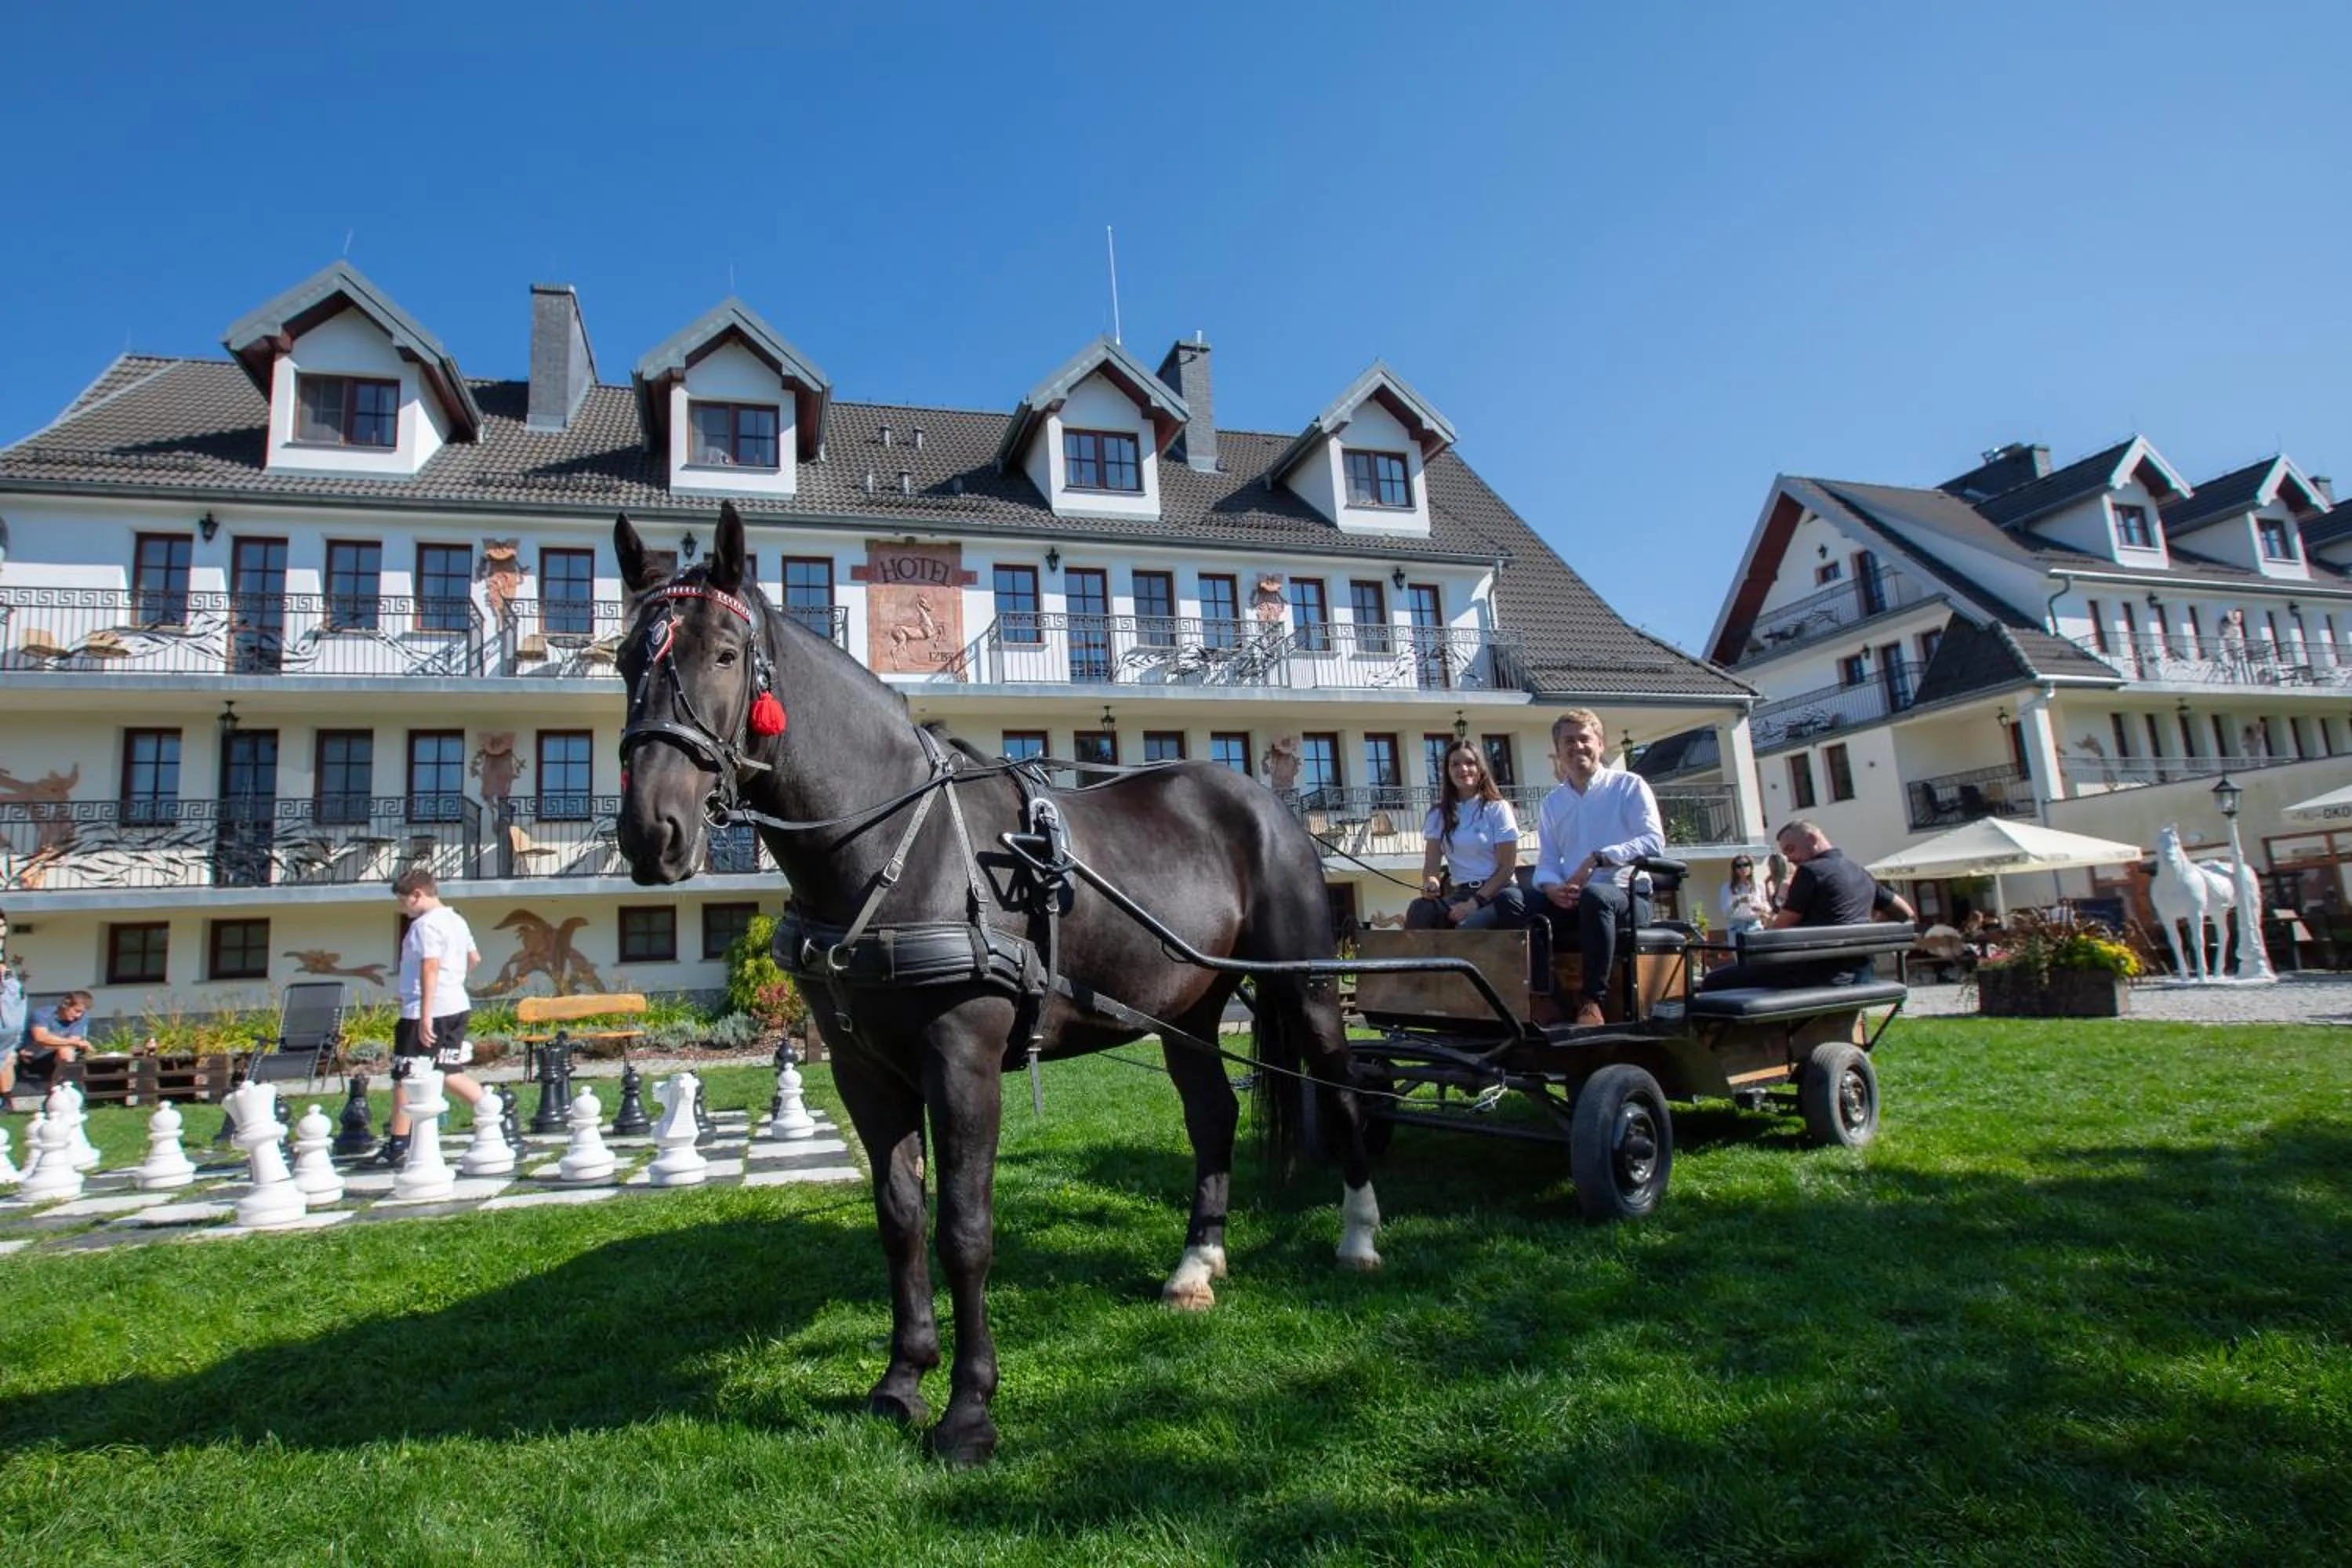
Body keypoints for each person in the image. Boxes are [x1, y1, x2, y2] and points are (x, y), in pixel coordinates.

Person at [1530, 708, 1664, 1026]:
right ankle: (1545, 997)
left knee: (1596, 895)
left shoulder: (1629, 786)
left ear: (1600, 744)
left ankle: (1592, 1001)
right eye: (1569, 741)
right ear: (1558, 751)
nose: (1577, 747)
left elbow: (1654, 841)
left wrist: (1600, 857)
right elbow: (1547, 860)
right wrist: (1551, 888)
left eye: (1584, 739)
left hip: (1628, 897)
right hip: (1575, 899)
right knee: (1520, 903)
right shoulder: (1552, 803)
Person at [1702, 820, 1913, 990]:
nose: (1790, 859)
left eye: (1791, 850)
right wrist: (1868, 930)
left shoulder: (1811, 871)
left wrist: (1768, 925)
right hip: (1860, 971)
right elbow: (1905, 912)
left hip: (1815, 973)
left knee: (1713, 981)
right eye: (1786, 854)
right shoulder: (1860, 872)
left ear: (1812, 839)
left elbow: (1780, 928)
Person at [376, 868, 486, 1167]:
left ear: (417, 895)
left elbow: (430, 967)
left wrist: (425, 1014)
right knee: (448, 1070)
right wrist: (454, 981)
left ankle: (399, 1143)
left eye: (404, 902)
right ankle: (494, 1112)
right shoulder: (457, 920)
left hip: (425, 1010)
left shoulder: (425, 925)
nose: (404, 909)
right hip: (456, 1004)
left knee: (405, 1075)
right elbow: (474, 958)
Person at [1405, 742, 1529, 931]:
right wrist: (1431, 882)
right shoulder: (1438, 814)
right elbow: (1431, 864)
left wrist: (1473, 904)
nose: (1463, 769)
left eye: (1470, 763)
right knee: (1420, 909)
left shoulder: (1498, 808)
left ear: (1480, 768)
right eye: (1455, 764)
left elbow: (1506, 868)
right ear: (1447, 772)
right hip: (1460, 893)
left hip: (1498, 893)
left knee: (1467, 928)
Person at [6, 984, 93, 1109]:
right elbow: (41, 1037)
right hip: (31, 1057)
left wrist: (52, 1042)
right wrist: (72, 1042)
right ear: (66, 1004)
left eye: (82, 1013)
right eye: (77, 1011)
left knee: (67, 1052)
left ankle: (55, 1092)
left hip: (51, 1055)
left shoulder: (81, 1019)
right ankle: (6, 1100)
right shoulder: (42, 1014)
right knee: (8, 1057)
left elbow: (73, 1040)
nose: (78, 1016)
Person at [1720, 856, 1772, 936]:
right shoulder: (1727, 887)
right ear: (1734, 869)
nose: (1743, 868)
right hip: (1736, 926)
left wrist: (1761, 908)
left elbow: (1767, 907)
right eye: (1738, 866)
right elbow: (1726, 913)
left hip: (1755, 925)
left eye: (1746, 865)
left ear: (1751, 867)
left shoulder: (1759, 885)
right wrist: (1738, 902)